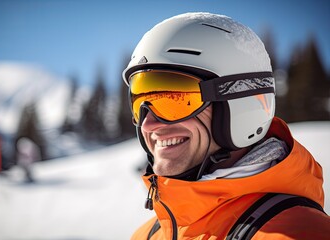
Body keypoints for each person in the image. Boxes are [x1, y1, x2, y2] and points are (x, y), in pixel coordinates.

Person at [122, 12, 330, 239]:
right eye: (139, 103)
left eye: (176, 99)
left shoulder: (299, 233)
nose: (148, 124)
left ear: (239, 102)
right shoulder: (147, 235)